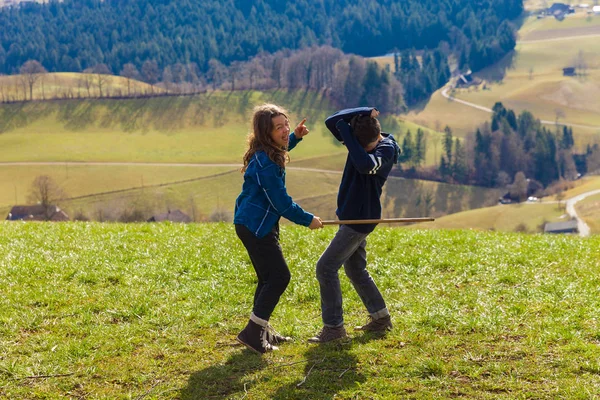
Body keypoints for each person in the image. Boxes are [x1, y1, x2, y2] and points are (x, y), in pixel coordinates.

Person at [234, 103, 323, 354]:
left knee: (267, 278)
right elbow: (281, 203)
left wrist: (295, 137)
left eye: (286, 124)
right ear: (266, 133)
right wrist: (308, 220)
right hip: (256, 226)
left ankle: (259, 330)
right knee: (279, 277)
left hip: (253, 223)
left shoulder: (266, 151)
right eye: (279, 128)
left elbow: (281, 149)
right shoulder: (266, 164)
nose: (284, 130)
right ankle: (253, 333)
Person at [309, 106, 400, 343]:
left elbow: (364, 165)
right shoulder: (361, 141)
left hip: (361, 219)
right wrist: (364, 112)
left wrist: (350, 140)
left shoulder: (386, 149)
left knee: (325, 268)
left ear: (375, 139)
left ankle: (334, 329)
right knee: (355, 269)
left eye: (366, 147)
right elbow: (332, 121)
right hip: (349, 216)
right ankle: (381, 319)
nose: (363, 151)